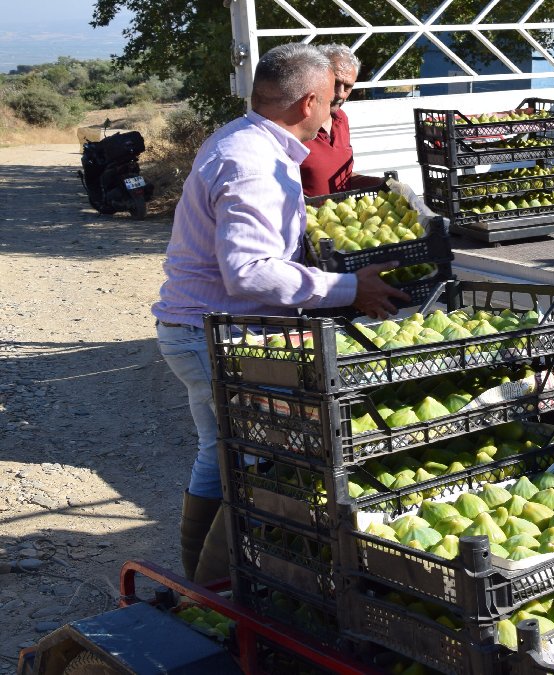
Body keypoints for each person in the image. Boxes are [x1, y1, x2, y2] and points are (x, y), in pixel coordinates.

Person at [151, 42, 409, 582]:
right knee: (252, 460)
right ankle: (223, 588)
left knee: (219, 451)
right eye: (330, 101)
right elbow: (248, 272)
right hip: (215, 335)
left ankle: (204, 585)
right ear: (309, 101)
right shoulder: (251, 163)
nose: (333, 112)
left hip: (197, 328)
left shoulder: (241, 139)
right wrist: (348, 288)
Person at [300, 43, 382, 197]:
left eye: (348, 87)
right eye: (335, 83)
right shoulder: (296, 123)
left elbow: (343, 178)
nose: (341, 94)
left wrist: (381, 183)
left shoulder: (341, 119)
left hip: (339, 212)